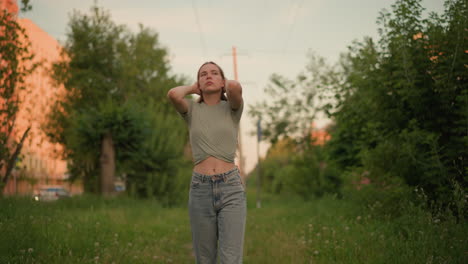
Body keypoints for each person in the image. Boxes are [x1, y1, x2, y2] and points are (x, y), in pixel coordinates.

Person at [167, 61, 246, 263]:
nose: (208, 76)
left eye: (214, 73)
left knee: (230, 259)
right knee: (204, 259)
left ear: (222, 81)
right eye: (203, 74)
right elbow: (173, 95)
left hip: (231, 189)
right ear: (198, 82)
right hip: (200, 188)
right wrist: (195, 88)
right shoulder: (191, 109)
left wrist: (224, 83)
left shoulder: (232, 108)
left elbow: (236, 88)